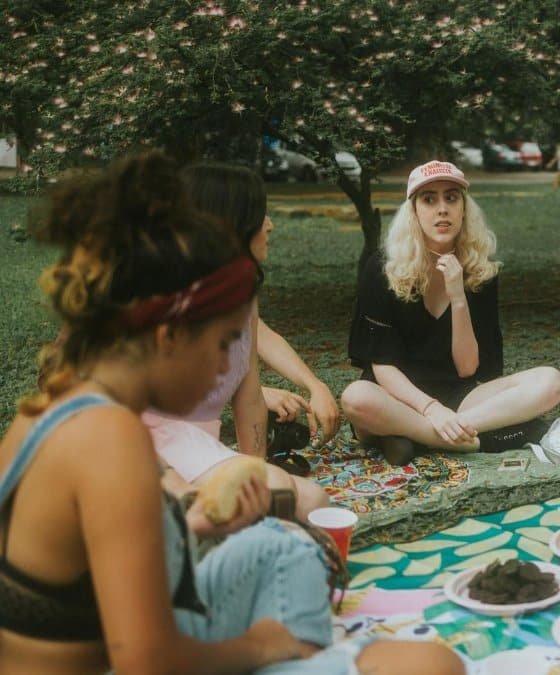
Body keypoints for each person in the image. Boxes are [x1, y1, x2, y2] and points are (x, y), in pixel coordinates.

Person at [0, 151, 464, 674]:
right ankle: (303, 653)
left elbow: (95, 554)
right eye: (224, 343)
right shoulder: (110, 440)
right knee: (429, 665)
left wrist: (193, 520)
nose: (231, 366)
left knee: (279, 543)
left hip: (128, 632)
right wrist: (268, 644)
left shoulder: (68, 408)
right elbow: (148, 662)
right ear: (169, 335)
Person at [341, 160, 560, 464]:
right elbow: (382, 367)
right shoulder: (382, 269)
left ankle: (418, 437)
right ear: (414, 211)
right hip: (398, 396)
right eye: (429, 199)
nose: (442, 208)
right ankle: (466, 439)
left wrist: (458, 296)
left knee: (551, 383)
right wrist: (431, 409)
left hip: (460, 395)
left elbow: (468, 369)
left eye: (451, 197)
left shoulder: (480, 270)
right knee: (356, 398)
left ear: (463, 209)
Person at [142, 162, 329, 521]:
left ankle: (195, 516)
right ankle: (175, 510)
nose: (270, 224)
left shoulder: (244, 298)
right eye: (260, 215)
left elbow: (249, 396)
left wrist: (256, 469)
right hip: (139, 448)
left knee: (310, 501)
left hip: (197, 449)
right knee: (282, 498)